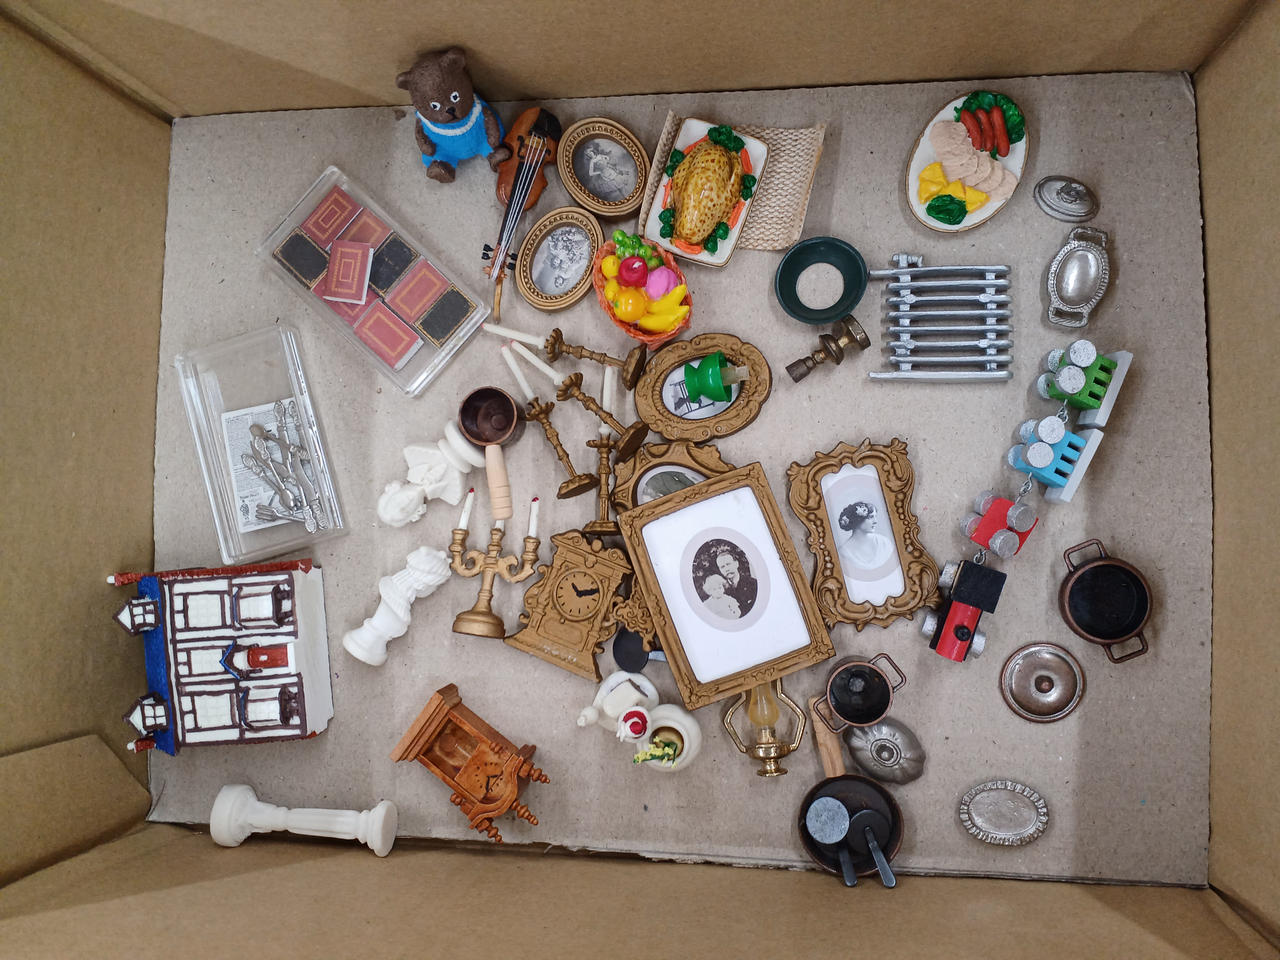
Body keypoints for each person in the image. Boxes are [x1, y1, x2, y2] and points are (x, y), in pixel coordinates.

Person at [836, 501, 896, 573]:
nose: (875, 521)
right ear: (857, 520)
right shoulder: (843, 552)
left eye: (875, 516)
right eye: (871, 517)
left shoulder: (884, 543)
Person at [714, 545, 758, 616]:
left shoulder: (753, 583)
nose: (726, 569)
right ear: (720, 570)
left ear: (736, 563)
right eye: (722, 567)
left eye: (728, 564)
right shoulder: (721, 591)